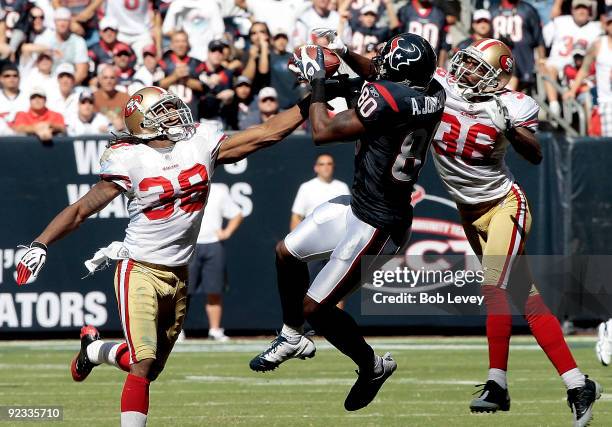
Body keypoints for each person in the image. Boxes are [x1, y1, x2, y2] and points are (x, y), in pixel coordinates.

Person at [15, 85, 313, 427]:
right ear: (143, 123)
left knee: (150, 366)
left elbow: (266, 133)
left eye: (174, 107)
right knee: (143, 363)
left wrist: (314, 97)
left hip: (179, 272)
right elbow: (82, 209)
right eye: (164, 111)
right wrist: (41, 243)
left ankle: (94, 351)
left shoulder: (198, 143)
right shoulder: (130, 159)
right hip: (139, 268)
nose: (175, 115)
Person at [249, 33, 445, 412]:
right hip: (359, 206)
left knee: (316, 309)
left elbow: (322, 132)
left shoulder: (394, 100)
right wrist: (340, 55)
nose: (378, 62)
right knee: (286, 253)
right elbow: (377, 76)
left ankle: (371, 366)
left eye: (386, 60)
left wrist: (320, 80)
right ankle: (291, 337)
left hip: (379, 224)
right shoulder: (431, 89)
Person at [429, 38, 601, 425]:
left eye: (477, 67)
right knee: (528, 300)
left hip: (504, 205)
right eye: (466, 63)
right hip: (468, 211)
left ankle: (497, 383)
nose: (466, 72)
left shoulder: (515, 104)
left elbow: (535, 153)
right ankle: (578, 384)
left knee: (494, 287)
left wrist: (509, 125)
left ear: (496, 75)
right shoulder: (441, 84)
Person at [188, 183, 243, 342]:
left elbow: (237, 214)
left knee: (214, 291)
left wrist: (227, 232)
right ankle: (177, 332)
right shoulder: (184, 187)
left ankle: (215, 330)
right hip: (189, 244)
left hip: (213, 245)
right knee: (182, 292)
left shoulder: (219, 190)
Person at [544, 0, 603, 118]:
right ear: (572, 10)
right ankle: (554, 105)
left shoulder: (596, 28)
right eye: (578, 8)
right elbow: (543, 40)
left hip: (584, 69)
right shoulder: (560, 22)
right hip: (559, 63)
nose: (581, 11)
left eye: (585, 8)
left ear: (590, 11)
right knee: (549, 67)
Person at [564, 7, 612, 137]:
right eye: (610, 23)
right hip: (605, 103)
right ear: (606, 25)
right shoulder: (598, 45)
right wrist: (572, 91)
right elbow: (584, 70)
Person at [491, 0, 546, 90]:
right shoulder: (493, 9)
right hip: (497, 63)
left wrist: (542, 60)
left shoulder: (527, 9)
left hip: (524, 63)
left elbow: (539, 39)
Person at [26, 7, 89, 84]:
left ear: (70, 22)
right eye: (59, 20)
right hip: (46, 82)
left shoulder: (78, 41)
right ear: (54, 22)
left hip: (69, 85)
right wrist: (49, 49)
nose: (62, 24)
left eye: (65, 20)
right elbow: (27, 52)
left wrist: (65, 88)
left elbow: (82, 72)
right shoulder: (45, 38)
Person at [158, 31, 206, 118]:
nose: (180, 45)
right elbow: (156, 86)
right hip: (168, 114)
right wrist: (175, 76)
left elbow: (205, 87)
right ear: (171, 44)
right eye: (177, 41)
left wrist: (186, 79)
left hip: (192, 113)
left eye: (183, 41)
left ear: (188, 44)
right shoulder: (163, 63)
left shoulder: (198, 64)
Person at [397, 0, 449, 67]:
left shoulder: (440, 14)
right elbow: (396, 36)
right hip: (405, 62)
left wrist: (440, 67)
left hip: (429, 65)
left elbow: (443, 45)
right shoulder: (405, 10)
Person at [198, 39, 234, 121]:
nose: (217, 54)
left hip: (219, 117)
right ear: (208, 53)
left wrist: (229, 97)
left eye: (220, 51)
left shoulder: (227, 73)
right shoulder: (198, 68)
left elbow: (229, 97)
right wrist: (207, 82)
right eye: (214, 50)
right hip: (198, 116)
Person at [93, 64, 130, 131]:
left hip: (120, 135)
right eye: (105, 78)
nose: (109, 81)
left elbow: (132, 120)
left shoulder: (125, 97)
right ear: (100, 80)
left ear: (117, 80)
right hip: (99, 136)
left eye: (112, 78)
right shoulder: (93, 97)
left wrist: (123, 124)